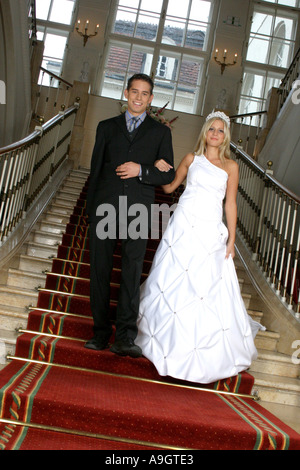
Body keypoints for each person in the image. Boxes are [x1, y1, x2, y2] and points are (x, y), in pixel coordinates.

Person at [135, 111, 265, 383]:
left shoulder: (231, 167)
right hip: (183, 225)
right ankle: (167, 341)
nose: (215, 134)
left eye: (220, 130)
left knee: (204, 285)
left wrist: (231, 239)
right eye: (211, 129)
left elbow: (230, 203)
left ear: (225, 135)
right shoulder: (191, 159)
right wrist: (155, 168)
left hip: (209, 230)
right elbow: (170, 188)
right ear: (205, 132)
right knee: (174, 278)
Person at [85, 73, 175, 358]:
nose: (138, 97)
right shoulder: (106, 127)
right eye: (134, 91)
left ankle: (124, 336)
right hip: (105, 207)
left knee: (131, 272)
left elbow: (170, 174)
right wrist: (91, 212)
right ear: (126, 93)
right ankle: (100, 333)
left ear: (150, 98)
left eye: (144, 93)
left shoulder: (161, 133)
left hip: (139, 209)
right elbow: (96, 170)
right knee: (100, 270)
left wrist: (143, 170)